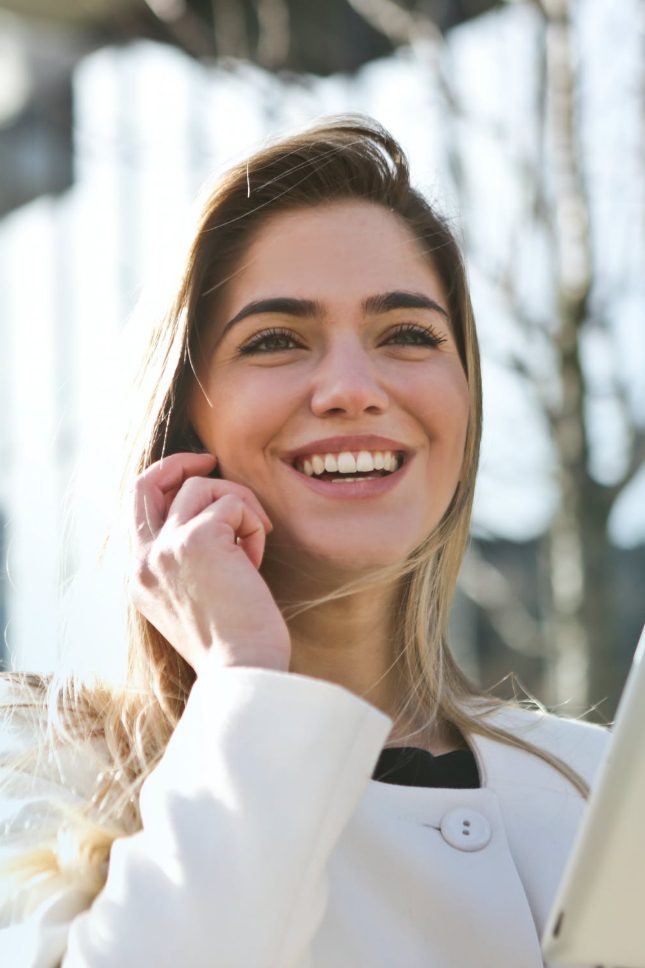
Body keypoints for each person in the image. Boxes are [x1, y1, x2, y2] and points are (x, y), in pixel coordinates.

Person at [0, 115, 608, 967]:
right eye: (276, 339)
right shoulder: (36, 773)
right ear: (180, 419)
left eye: (408, 334)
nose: (353, 390)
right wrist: (245, 678)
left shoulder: (600, 786)